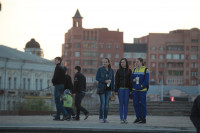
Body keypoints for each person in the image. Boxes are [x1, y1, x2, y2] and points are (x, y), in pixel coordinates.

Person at [130, 58, 149, 124]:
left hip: (142, 90)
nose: (136, 63)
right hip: (135, 90)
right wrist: (133, 80)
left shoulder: (146, 70)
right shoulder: (134, 70)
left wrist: (141, 86)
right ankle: (138, 117)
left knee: (143, 104)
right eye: (135, 62)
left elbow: (146, 81)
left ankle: (143, 118)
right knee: (135, 104)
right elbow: (131, 80)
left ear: (141, 62)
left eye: (137, 61)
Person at [96, 58, 114, 123]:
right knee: (103, 103)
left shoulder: (111, 70)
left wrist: (113, 90)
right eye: (103, 62)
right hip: (102, 88)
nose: (104, 63)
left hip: (109, 89)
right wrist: (104, 81)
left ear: (108, 63)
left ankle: (105, 118)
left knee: (107, 105)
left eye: (106, 62)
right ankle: (101, 117)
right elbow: (97, 78)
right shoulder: (100, 69)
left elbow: (113, 80)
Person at [115, 58, 132, 124]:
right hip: (120, 89)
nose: (122, 63)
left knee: (126, 104)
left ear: (126, 63)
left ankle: (125, 118)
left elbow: (131, 81)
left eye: (124, 62)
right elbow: (116, 81)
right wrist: (116, 90)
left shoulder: (129, 71)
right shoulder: (118, 71)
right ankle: (121, 118)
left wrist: (130, 89)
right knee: (121, 104)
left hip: (127, 89)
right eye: (121, 62)